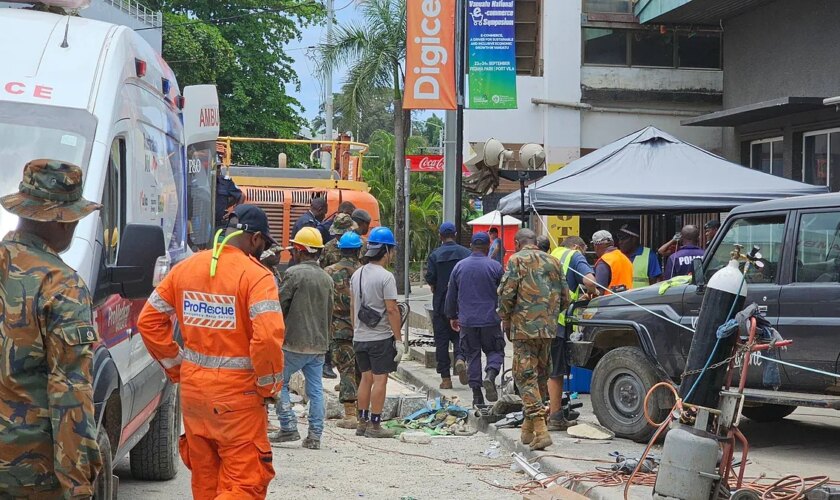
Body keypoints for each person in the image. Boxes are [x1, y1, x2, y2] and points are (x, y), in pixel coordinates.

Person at [137, 204, 285, 499]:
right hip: (237, 401)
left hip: (194, 396)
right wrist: (269, 386)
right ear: (255, 239)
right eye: (263, 244)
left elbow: (149, 321)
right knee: (245, 483)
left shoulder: (187, 268)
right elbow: (267, 337)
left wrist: (178, 367)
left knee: (206, 482)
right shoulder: (256, 276)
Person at [0, 160, 103, 498]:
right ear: (62, 221)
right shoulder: (61, 285)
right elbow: (70, 393)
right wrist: (79, 485)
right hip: (28, 474)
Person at [498, 229, 569, 451]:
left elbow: (507, 294)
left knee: (525, 377)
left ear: (517, 243)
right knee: (540, 376)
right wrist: (549, 314)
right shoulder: (553, 261)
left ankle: (540, 427)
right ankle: (528, 431)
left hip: (524, 329)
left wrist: (505, 317)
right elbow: (566, 297)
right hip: (548, 328)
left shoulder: (516, 259)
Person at [271, 226, 334, 450]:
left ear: (299, 249)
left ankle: (288, 427)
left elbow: (278, 306)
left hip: (293, 343)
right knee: (316, 390)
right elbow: (329, 313)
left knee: (279, 384)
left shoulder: (293, 274)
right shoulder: (327, 279)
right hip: (318, 345)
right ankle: (315, 436)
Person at [350, 226, 403, 438]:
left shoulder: (357, 274)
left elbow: (354, 306)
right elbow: (391, 309)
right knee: (381, 380)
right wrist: (398, 340)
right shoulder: (386, 277)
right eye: (393, 250)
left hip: (359, 337)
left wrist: (357, 330)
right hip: (379, 338)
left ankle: (361, 422)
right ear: (386, 250)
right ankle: (375, 424)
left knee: (365, 378)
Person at [444, 232, 505, 406]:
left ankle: (477, 396)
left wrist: (452, 316)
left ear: (471, 246)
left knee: (472, 355)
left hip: (467, 320)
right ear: (488, 247)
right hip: (490, 319)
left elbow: (451, 295)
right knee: (495, 351)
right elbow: (506, 293)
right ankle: (491, 375)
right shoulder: (495, 267)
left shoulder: (459, 267)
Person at [548, 236, 597, 430]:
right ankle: (555, 416)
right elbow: (590, 281)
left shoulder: (552, 254)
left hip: (540, 320)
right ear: (577, 246)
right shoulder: (574, 255)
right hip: (559, 321)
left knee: (544, 369)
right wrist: (592, 292)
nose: (584, 254)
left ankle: (542, 411)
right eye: (585, 250)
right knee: (556, 372)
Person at [424, 222, 471, 389]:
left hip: (441, 305)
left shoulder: (435, 255)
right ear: (456, 234)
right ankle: (460, 358)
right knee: (460, 335)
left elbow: (430, 278)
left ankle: (446, 379)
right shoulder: (466, 254)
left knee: (442, 342)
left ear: (440, 236)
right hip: (462, 304)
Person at [325, 232, 364, 429]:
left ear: (340, 249)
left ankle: (350, 414)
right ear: (358, 250)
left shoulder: (329, 272)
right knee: (362, 369)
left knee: (347, 370)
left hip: (338, 328)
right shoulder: (364, 271)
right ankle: (363, 411)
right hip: (364, 328)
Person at [320, 213, 359, 378]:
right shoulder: (328, 248)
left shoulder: (360, 246)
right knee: (333, 341)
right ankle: (329, 366)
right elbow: (323, 271)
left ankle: (348, 381)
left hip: (356, 305)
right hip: (335, 303)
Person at [617, 223, 662, 288]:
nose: (620, 242)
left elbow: (654, 283)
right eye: (619, 238)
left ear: (634, 239)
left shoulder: (649, 256)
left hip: (641, 297)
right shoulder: (617, 255)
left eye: (623, 238)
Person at [592, 230, 634, 294]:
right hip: (627, 301)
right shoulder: (624, 258)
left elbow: (599, 292)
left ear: (596, 246)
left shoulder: (604, 262)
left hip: (609, 302)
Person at [289, 196, 328, 266]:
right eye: (324, 213)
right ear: (320, 209)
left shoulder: (306, 218)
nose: (324, 216)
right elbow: (307, 247)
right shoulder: (308, 223)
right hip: (301, 264)